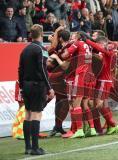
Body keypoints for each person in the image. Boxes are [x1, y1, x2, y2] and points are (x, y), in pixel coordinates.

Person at [18, 24, 55, 155]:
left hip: (26, 85)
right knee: (36, 114)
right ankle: (35, 148)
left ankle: (28, 147)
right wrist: (49, 87)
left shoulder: (25, 50)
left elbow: (20, 69)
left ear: (30, 35)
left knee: (27, 114)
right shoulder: (41, 49)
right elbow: (43, 69)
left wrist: (22, 87)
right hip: (37, 85)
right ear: (41, 34)